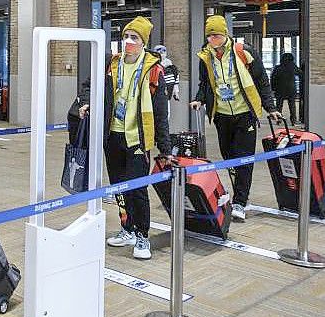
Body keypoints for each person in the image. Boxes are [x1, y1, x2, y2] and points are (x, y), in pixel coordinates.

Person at [83, 16, 172, 260]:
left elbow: (161, 112)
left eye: (134, 38)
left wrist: (165, 148)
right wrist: (86, 101)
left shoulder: (153, 71)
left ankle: (143, 235)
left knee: (137, 189)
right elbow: (89, 85)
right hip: (113, 135)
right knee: (118, 188)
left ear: (143, 42)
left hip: (137, 139)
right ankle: (127, 228)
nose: (128, 42)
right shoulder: (111, 64)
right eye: (125, 37)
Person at [190, 15, 281, 222]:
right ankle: (236, 192)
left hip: (244, 114)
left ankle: (241, 201)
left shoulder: (243, 52)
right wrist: (199, 100)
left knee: (244, 158)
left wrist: (271, 108)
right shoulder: (205, 57)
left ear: (225, 34)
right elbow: (205, 84)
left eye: (216, 35)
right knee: (229, 157)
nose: (213, 39)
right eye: (210, 35)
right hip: (222, 115)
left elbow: (261, 81)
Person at [271, 53, 302, 124]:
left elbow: (273, 78)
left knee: (279, 105)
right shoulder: (293, 67)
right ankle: (293, 120)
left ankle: (278, 119)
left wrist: (273, 88)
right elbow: (300, 74)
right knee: (292, 105)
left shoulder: (278, 67)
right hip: (291, 89)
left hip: (279, 89)